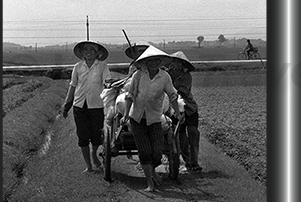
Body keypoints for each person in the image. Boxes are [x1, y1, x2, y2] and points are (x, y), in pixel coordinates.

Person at [121, 45, 182, 192]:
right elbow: (130, 95)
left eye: (156, 60)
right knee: (144, 151)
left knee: (157, 152)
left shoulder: (165, 77)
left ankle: (152, 171)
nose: (153, 63)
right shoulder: (138, 75)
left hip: (155, 118)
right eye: (150, 60)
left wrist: (178, 112)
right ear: (145, 62)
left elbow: (172, 94)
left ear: (160, 62)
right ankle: (150, 183)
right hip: (137, 118)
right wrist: (125, 115)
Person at [61, 40, 112, 173]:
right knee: (82, 136)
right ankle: (88, 166)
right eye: (86, 50)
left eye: (92, 50)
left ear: (97, 53)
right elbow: (73, 86)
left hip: (96, 105)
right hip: (79, 105)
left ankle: (94, 153)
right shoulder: (78, 67)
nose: (88, 52)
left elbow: (107, 81)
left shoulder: (102, 66)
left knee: (96, 135)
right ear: (82, 52)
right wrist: (67, 105)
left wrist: (109, 86)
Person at [167, 51, 202, 172]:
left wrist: (171, 91)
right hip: (174, 108)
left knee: (193, 133)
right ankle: (187, 160)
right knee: (180, 135)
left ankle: (194, 162)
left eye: (178, 62)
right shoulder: (166, 75)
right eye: (174, 61)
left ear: (182, 64)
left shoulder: (186, 76)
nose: (175, 64)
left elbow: (182, 91)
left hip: (189, 108)